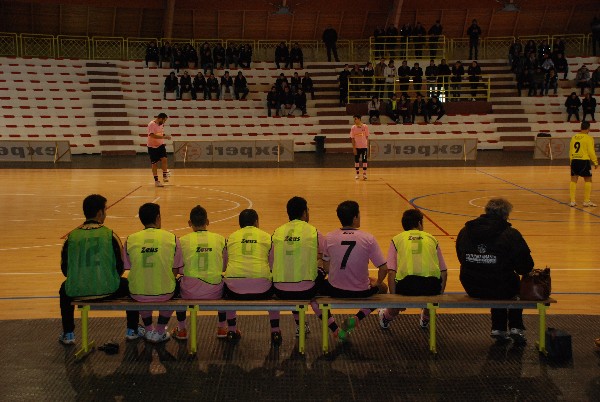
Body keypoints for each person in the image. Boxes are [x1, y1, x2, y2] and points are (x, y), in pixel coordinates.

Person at [58, 194, 141, 345]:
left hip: (77, 290)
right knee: (131, 285)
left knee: (64, 290)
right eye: (105, 210)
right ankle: (132, 330)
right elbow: (120, 267)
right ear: (99, 213)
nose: (105, 214)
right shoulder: (109, 234)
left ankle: (68, 333)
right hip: (109, 289)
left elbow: (65, 270)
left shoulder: (71, 237)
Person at [456, 198, 534, 344]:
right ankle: (515, 326)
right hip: (500, 286)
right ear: (506, 215)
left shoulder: (466, 231)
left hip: (471, 285)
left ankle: (499, 328)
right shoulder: (510, 234)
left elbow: (461, 257)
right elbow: (525, 267)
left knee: (494, 276)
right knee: (508, 282)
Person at [320, 201, 388, 342]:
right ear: (355, 217)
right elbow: (383, 268)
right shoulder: (368, 238)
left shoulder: (329, 237)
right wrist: (377, 283)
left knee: (313, 294)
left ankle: (335, 328)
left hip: (335, 290)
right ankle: (357, 317)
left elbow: (326, 268)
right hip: (361, 291)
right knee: (383, 288)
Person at [123, 203, 184, 343]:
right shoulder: (172, 238)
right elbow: (176, 269)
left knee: (142, 284)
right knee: (175, 288)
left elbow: (129, 267)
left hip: (137, 292)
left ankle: (149, 329)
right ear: (158, 218)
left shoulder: (130, 239)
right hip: (166, 292)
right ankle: (160, 331)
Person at [378, 209, 448, 330]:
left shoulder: (397, 239)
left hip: (406, 287)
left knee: (396, 292)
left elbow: (391, 272)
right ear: (420, 223)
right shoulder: (432, 238)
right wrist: (439, 296)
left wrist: (395, 300)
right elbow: (444, 272)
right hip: (431, 287)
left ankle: (386, 317)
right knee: (431, 292)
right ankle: (426, 318)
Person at [170, 205, 232, 340]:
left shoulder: (182, 241)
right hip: (214, 292)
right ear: (207, 221)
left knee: (176, 285)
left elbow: (177, 268)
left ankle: (181, 329)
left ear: (189, 223)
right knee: (225, 284)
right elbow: (224, 267)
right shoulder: (220, 239)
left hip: (189, 292)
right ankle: (222, 327)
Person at [223, 209, 281, 345]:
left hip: (234, 291)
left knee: (226, 286)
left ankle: (231, 330)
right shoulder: (267, 237)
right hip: (262, 290)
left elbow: (224, 266)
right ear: (256, 222)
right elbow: (273, 265)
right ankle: (275, 331)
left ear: (240, 224)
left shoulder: (231, 237)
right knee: (274, 283)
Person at [271, 196, 326, 338]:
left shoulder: (277, 232)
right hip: (306, 290)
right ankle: (334, 328)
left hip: (280, 290)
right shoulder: (314, 232)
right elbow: (326, 257)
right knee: (316, 274)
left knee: (290, 273)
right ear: (304, 213)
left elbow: (271, 261)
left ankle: (286, 328)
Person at [569, 121, 598, 207]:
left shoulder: (574, 137)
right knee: (588, 180)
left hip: (574, 160)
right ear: (588, 128)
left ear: (581, 127)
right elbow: (591, 151)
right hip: (584, 161)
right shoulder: (589, 138)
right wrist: (595, 161)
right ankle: (586, 201)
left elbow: (570, 150)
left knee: (573, 180)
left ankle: (572, 201)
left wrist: (571, 161)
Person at [147, 112, 171, 187]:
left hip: (160, 145)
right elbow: (152, 135)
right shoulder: (151, 124)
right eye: (164, 120)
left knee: (164, 159)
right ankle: (156, 181)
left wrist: (165, 136)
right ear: (160, 118)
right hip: (152, 146)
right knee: (154, 163)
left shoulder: (161, 125)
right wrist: (164, 137)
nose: (164, 122)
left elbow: (160, 133)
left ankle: (165, 175)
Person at [350, 115, 369, 180]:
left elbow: (367, 137)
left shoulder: (365, 126)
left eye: (355, 119)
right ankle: (357, 174)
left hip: (364, 147)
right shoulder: (353, 127)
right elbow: (352, 138)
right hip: (357, 147)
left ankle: (364, 174)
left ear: (359, 119)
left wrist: (366, 145)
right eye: (354, 119)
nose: (354, 120)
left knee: (364, 160)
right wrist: (354, 148)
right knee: (356, 160)